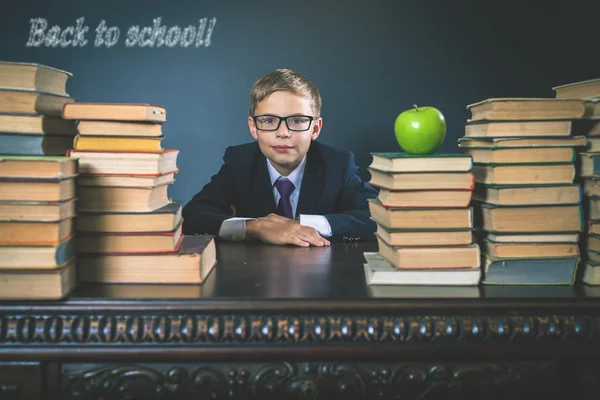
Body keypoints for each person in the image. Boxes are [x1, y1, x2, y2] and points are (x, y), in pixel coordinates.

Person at [182, 68, 378, 247]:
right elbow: (193, 216)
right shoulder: (240, 162)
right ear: (253, 127)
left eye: (297, 120)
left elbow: (377, 218)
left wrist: (300, 225)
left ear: (315, 128)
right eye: (268, 120)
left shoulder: (338, 164)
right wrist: (256, 227)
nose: (283, 133)